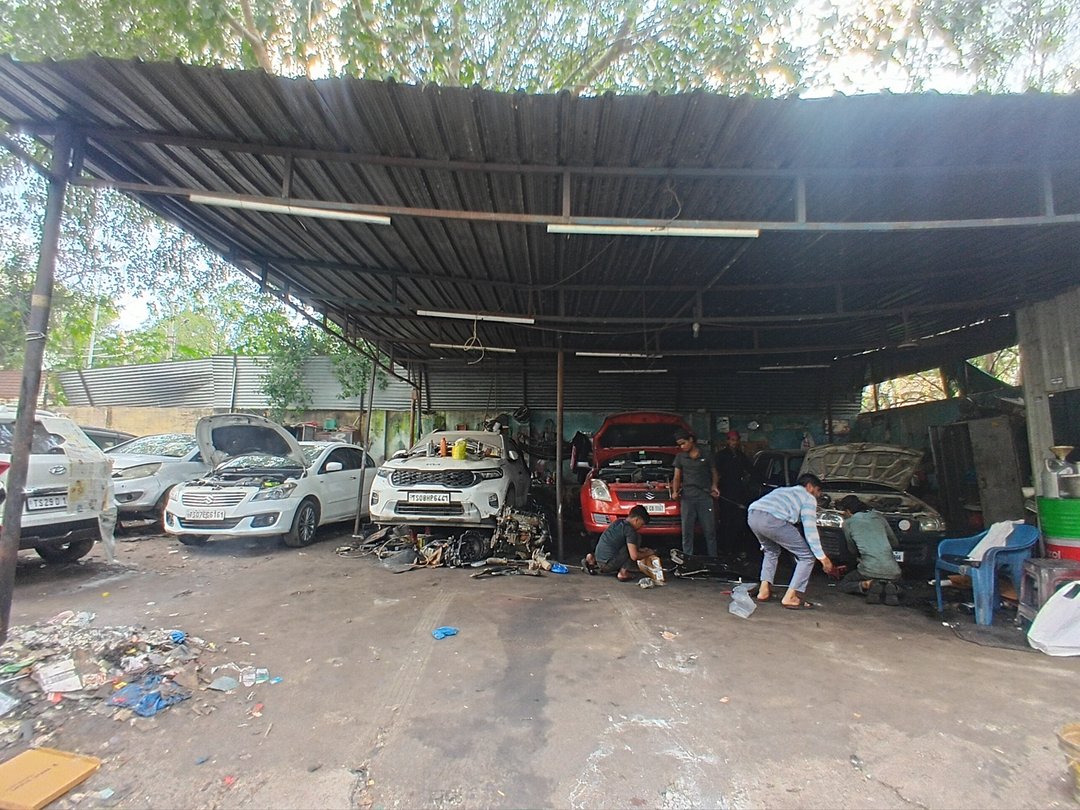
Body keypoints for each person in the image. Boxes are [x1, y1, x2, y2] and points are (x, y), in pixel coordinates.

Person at [748, 472, 834, 609]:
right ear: (810, 487)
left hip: (753, 515)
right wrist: (822, 557)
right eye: (818, 491)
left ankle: (763, 591)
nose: (818, 495)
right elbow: (810, 529)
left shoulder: (782, 490)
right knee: (807, 557)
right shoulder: (808, 497)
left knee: (771, 551)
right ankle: (791, 596)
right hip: (773, 520)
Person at [835, 495, 903, 605]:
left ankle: (867, 584)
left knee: (844, 585)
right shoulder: (879, 517)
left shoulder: (848, 523)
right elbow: (894, 542)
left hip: (868, 570)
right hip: (893, 571)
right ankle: (893, 587)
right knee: (903, 584)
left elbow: (852, 549)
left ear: (848, 511)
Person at [672, 428, 720, 557]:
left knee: (710, 531)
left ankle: (713, 558)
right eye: (679, 445)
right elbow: (676, 477)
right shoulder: (680, 457)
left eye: (683, 443)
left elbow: (714, 472)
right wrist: (675, 491)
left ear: (691, 440)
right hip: (687, 498)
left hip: (705, 496)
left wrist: (714, 486)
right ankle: (688, 558)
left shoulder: (706, 454)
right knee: (687, 532)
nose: (682, 447)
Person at [583, 505, 654, 581]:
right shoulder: (630, 531)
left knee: (625, 545)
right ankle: (623, 573)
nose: (640, 527)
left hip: (598, 559)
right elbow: (634, 556)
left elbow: (615, 543)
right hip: (608, 565)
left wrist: (640, 549)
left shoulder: (618, 522)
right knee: (637, 538)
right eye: (641, 524)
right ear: (636, 520)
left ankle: (591, 558)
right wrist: (649, 553)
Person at [714, 430, 755, 556]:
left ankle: (736, 548)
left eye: (736, 440)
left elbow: (750, 470)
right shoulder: (721, 456)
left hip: (739, 492)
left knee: (739, 521)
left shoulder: (741, 456)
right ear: (728, 441)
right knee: (726, 521)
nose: (734, 443)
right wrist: (715, 487)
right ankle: (725, 548)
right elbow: (715, 473)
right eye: (732, 440)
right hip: (725, 491)